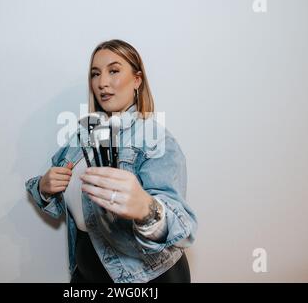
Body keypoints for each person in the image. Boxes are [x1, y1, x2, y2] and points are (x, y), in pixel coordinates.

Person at [25, 39, 198, 283]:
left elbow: (182, 228)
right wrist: (44, 187)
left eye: (114, 71)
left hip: (146, 277)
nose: (102, 82)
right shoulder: (83, 134)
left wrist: (146, 210)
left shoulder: (154, 138)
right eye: (95, 74)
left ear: (137, 80)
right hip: (88, 273)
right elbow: (55, 201)